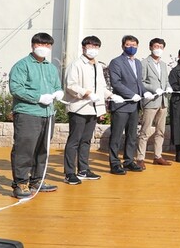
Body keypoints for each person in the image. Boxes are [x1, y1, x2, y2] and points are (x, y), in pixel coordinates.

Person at [8, 32, 64, 198]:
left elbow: (56, 86)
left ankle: (37, 180)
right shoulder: (22, 65)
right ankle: (20, 183)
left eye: (47, 45)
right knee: (24, 148)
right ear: (33, 45)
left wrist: (58, 92)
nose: (44, 48)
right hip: (28, 113)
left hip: (48, 114)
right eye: (41, 44)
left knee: (43, 149)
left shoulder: (51, 67)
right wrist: (38, 97)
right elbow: (16, 89)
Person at [63, 36, 113, 185]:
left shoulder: (98, 66)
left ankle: (83, 169)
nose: (93, 49)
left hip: (93, 109)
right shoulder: (76, 64)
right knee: (74, 141)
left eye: (96, 47)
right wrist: (86, 93)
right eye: (90, 46)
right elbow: (71, 85)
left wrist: (111, 95)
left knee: (86, 140)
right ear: (83, 47)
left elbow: (101, 87)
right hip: (79, 108)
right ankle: (69, 173)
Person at [108, 35, 149, 175]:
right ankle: (114, 163)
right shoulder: (116, 62)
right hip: (122, 105)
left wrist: (144, 92)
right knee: (116, 136)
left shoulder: (137, 62)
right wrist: (130, 95)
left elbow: (138, 83)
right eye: (128, 45)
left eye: (134, 45)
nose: (131, 47)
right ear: (122, 46)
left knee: (132, 136)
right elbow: (116, 82)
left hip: (135, 106)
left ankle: (129, 161)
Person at [138, 38, 172, 167]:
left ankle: (158, 156)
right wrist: (153, 89)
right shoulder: (144, 63)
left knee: (160, 131)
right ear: (151, 47)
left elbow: (166, 80)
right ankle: (140, 158)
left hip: (163, 102)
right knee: (145, 131)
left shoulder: (163, 64)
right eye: (156, 46)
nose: (158, 48)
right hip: (151, 101)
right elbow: (141, 81)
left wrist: (168, 87)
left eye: (161, 46)